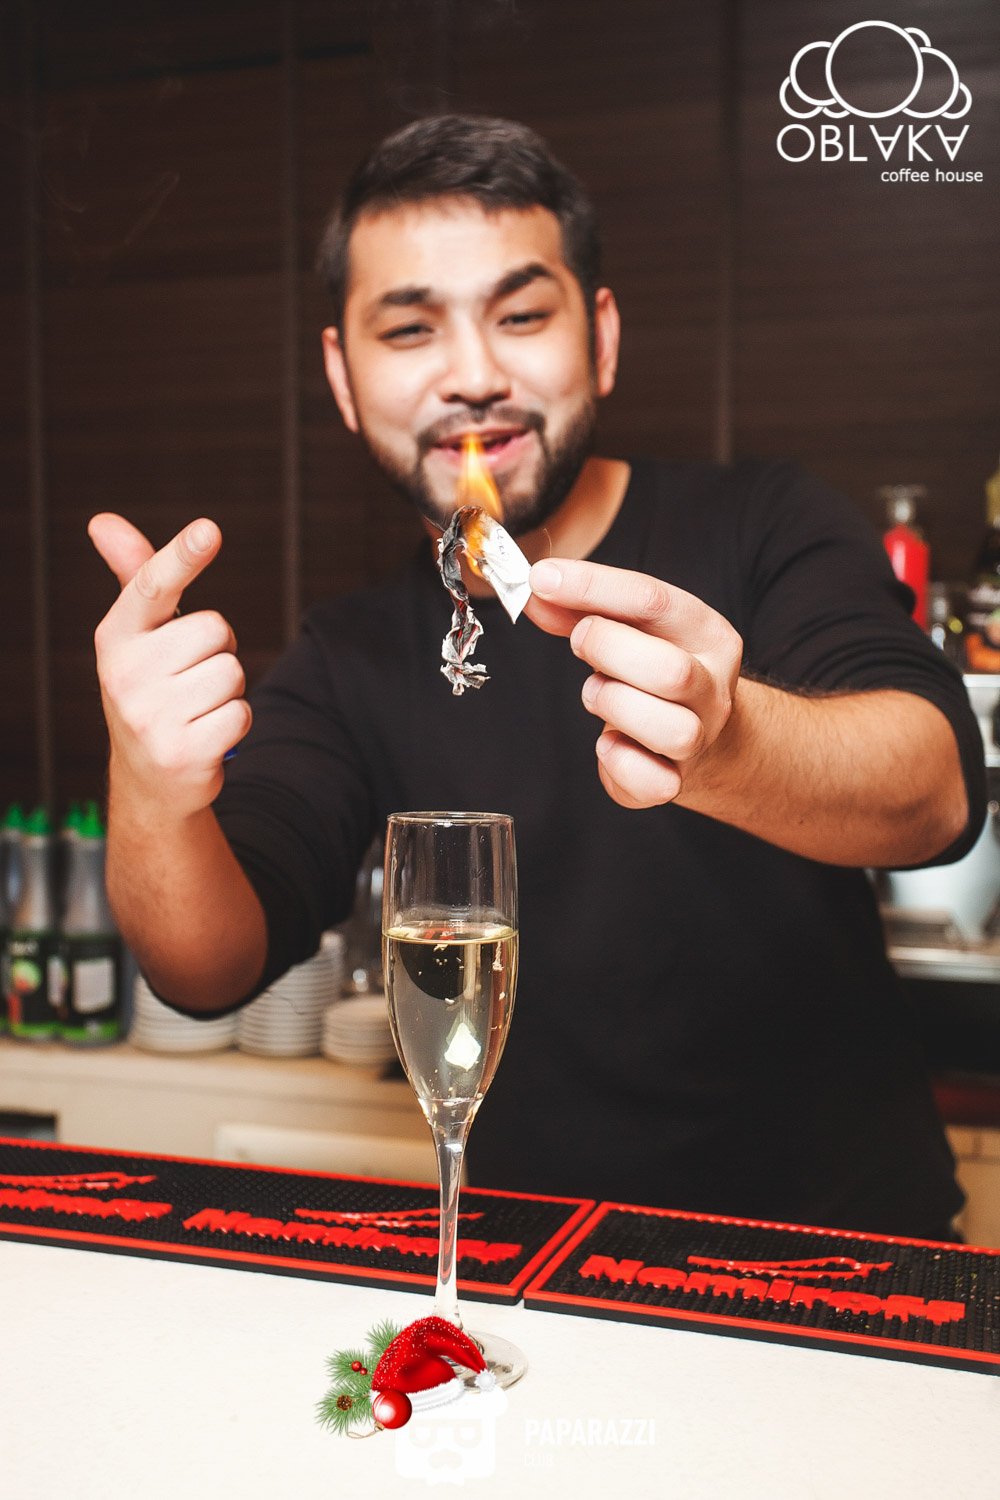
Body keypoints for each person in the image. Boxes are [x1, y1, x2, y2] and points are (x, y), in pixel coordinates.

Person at [88, 115, 984, 1239]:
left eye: (520, 316)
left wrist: (731, 744)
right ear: (342, 378)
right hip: (535, 1280)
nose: (474, 377)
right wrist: (151, 787)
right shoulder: (351, 653)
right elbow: (203, 965)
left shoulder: (765, 521)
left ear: (599, 338)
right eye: (409, 330)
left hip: (843, 1263)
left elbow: (935, 792)